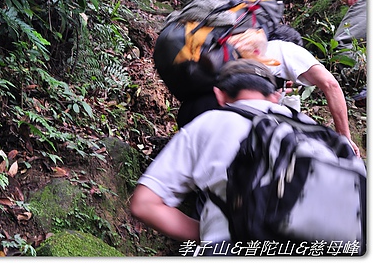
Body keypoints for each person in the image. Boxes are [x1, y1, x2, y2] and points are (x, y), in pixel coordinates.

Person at [130, 59, 350, 248]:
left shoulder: (207, 124)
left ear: (219, 95)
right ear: (275, 96)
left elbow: (144, 204)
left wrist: (208, 235)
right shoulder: (312, 129)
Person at [173, 27, 360, 157]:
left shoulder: (244, 51)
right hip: (221, 122)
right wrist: (344, 138)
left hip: (192, 116)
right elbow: (331, 85)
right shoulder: (287, 49)